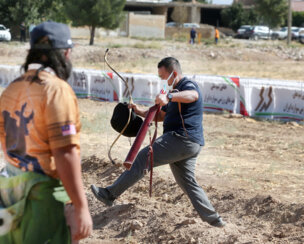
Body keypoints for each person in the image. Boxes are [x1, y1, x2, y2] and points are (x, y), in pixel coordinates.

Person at [91, 57, 226, 228]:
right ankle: (215, 220)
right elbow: (160, 116)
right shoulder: (175, 93)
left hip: (181, 138)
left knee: (142, 158)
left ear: (174, 73)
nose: (162, 80)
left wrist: (169, 96)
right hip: (190, 143)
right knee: (188, 183)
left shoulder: (186, 86)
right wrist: (138, 111)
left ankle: (109, 194)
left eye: (163, 76)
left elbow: (193, 96)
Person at [0, 21, 93, 243]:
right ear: (65, 53)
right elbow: (65, 152)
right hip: (42, 202)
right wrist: (81, 206)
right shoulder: (57, 90)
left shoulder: (12, 88)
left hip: (9, 197)